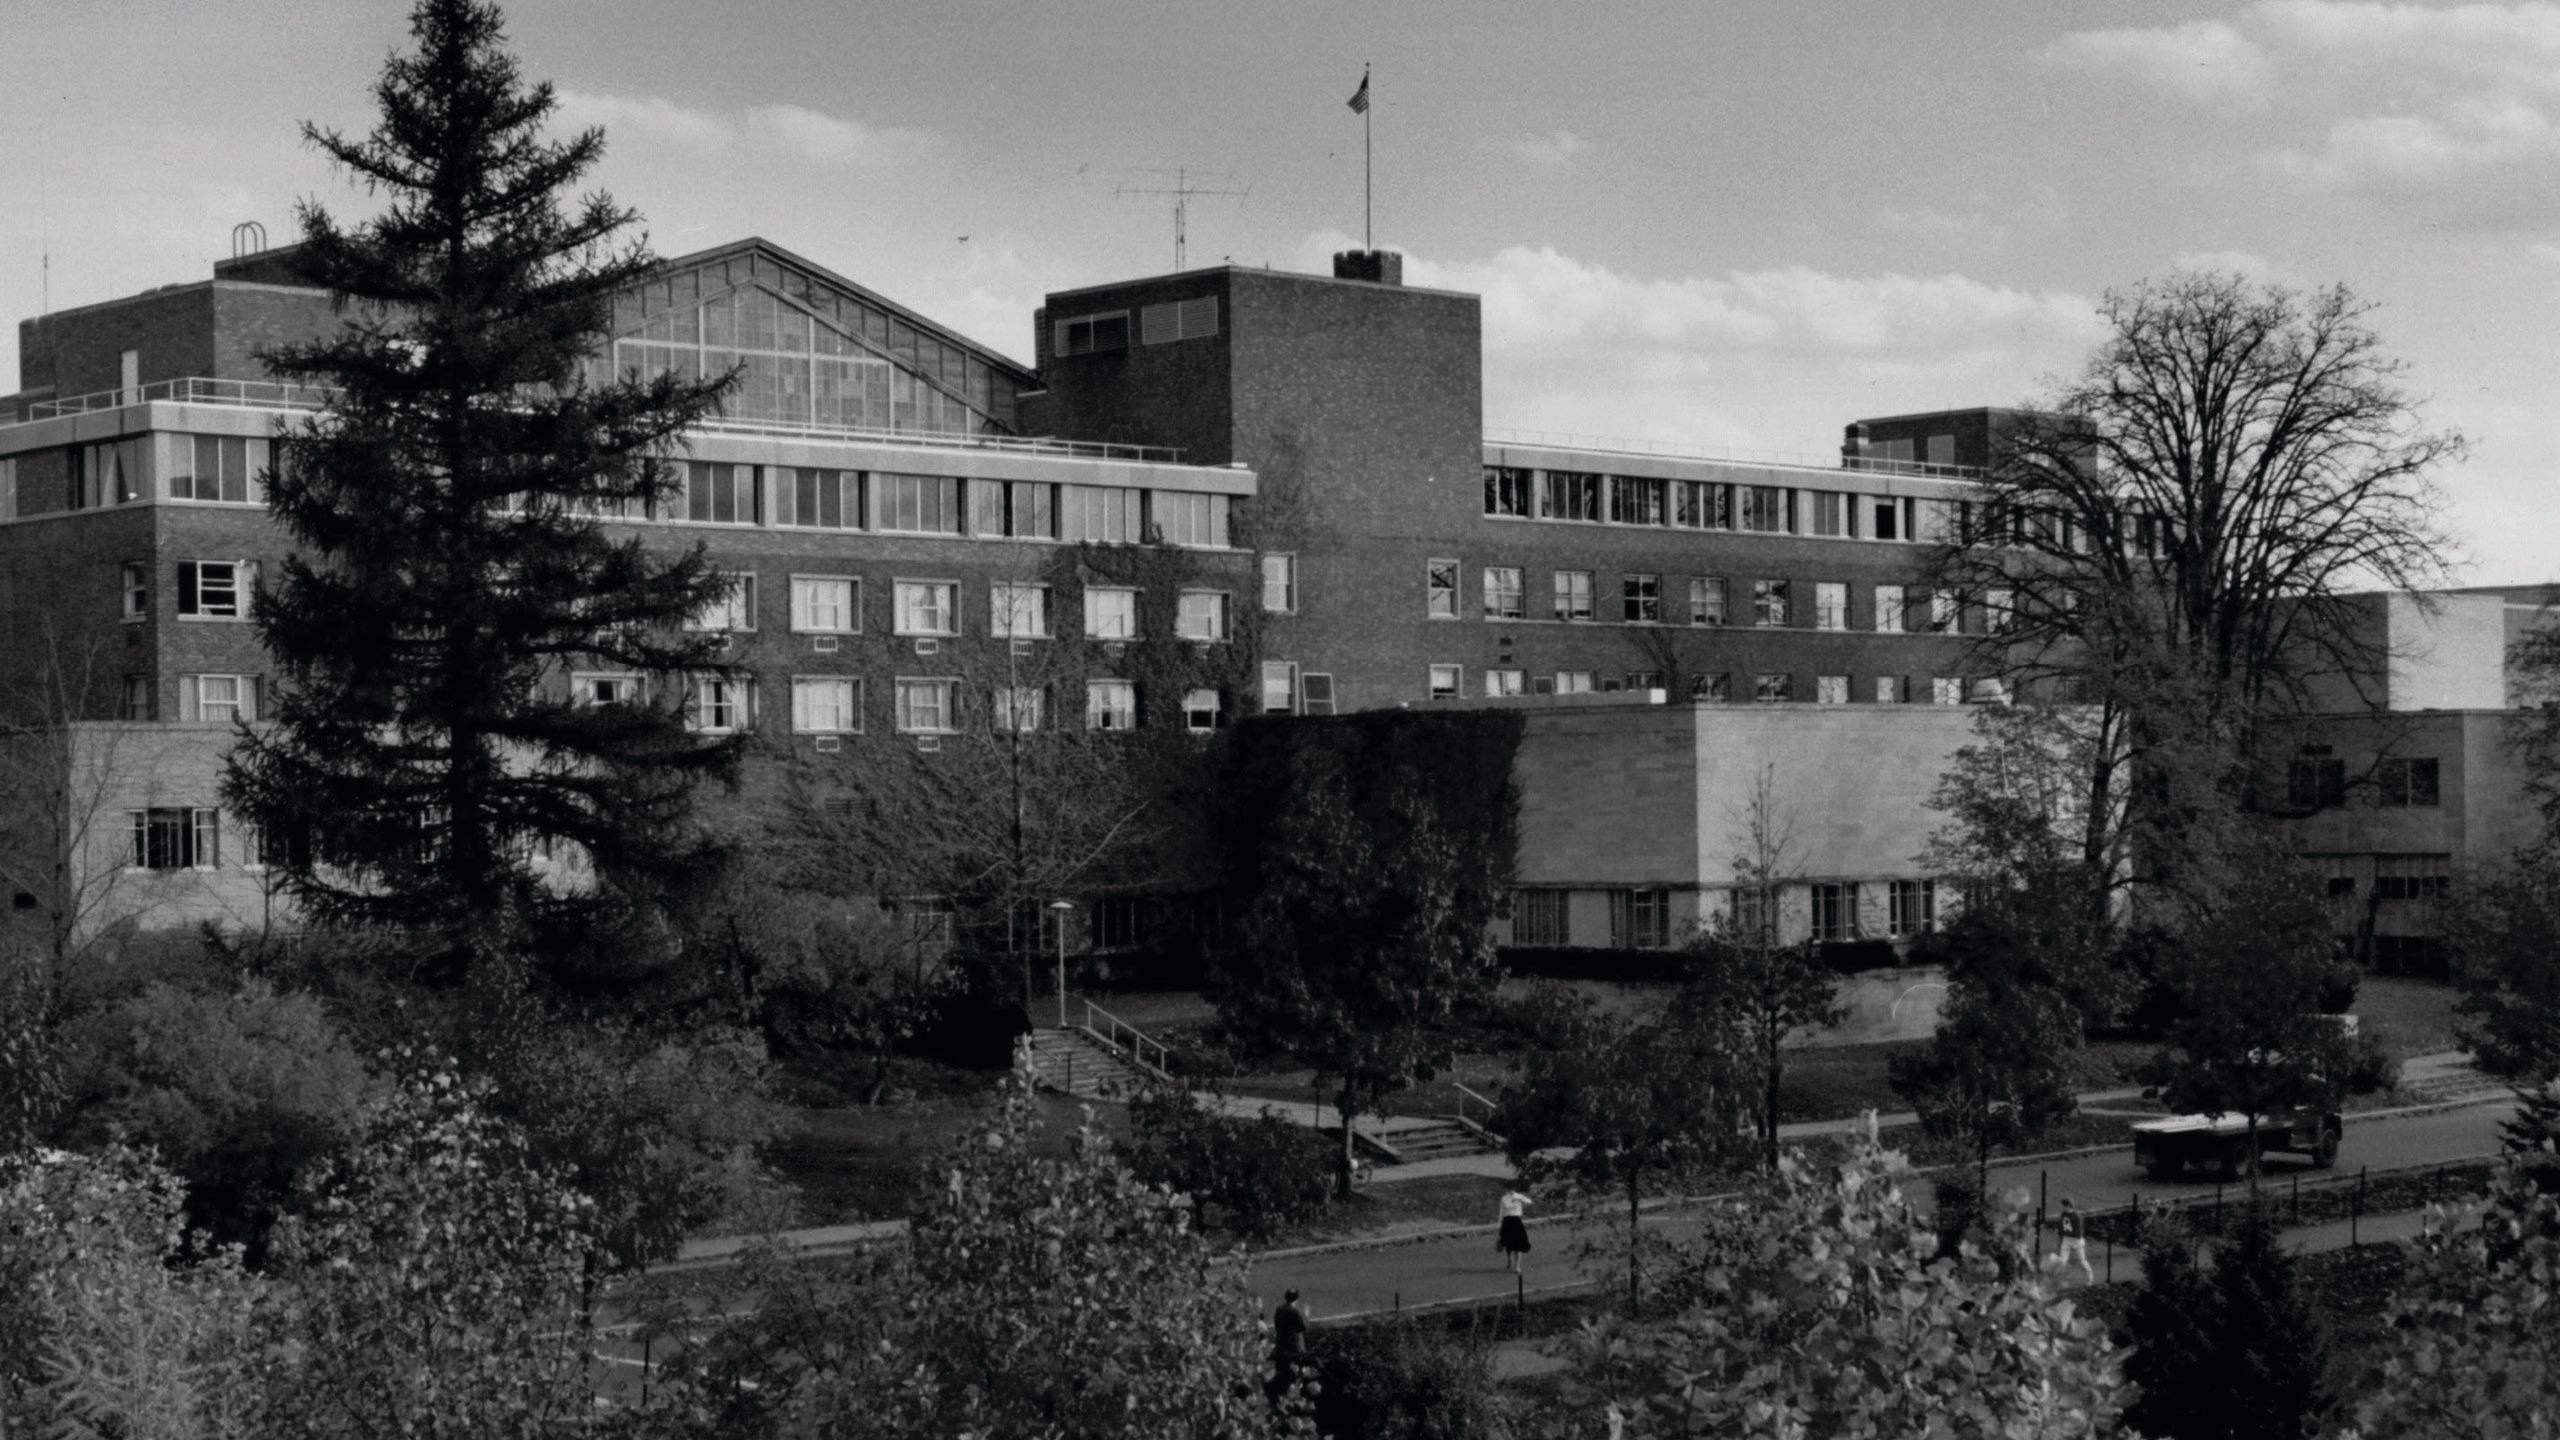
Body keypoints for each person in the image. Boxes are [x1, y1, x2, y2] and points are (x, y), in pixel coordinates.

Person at [1269, 1288, 1309, 1399]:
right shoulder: (1295, 1311)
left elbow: (1277, 1326)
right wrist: (1306, 1314)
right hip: (1294, 1345)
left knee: (1283, 1370)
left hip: (1281, 1343)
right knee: (1297, 1370)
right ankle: (1296, 1393)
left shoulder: (1279, 1309)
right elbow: (1304, 1327)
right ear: (1297, 1298)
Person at [2052, 1197, 2093, 1284]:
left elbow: (2078, 1234)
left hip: (2076, 1242)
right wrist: (2059, 1238)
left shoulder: (2076, 1217)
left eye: (2063, 1206)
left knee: (2082, 1261)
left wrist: (2064, 1233)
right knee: (2062, 1261)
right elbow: (2061, 1226)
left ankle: (2089, 1278)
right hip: (2066, 1240)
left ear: (2068, 1206)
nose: (2062, 1208)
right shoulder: (2063, 1214)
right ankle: (2062, 1280)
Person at [1496, 1188, 1533, 1272]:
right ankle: (1509, 1258)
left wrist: (1520, 1199)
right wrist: (1499, 1224)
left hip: (1517, 1222)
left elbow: (1529, 1202)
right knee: (1508, 1244)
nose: (1511, 1190)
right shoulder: (1504, 1198)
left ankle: (1517, 1266)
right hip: (1507, 1221)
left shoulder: (1519, 1196)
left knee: (1518, 1245)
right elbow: (1501, 1212)